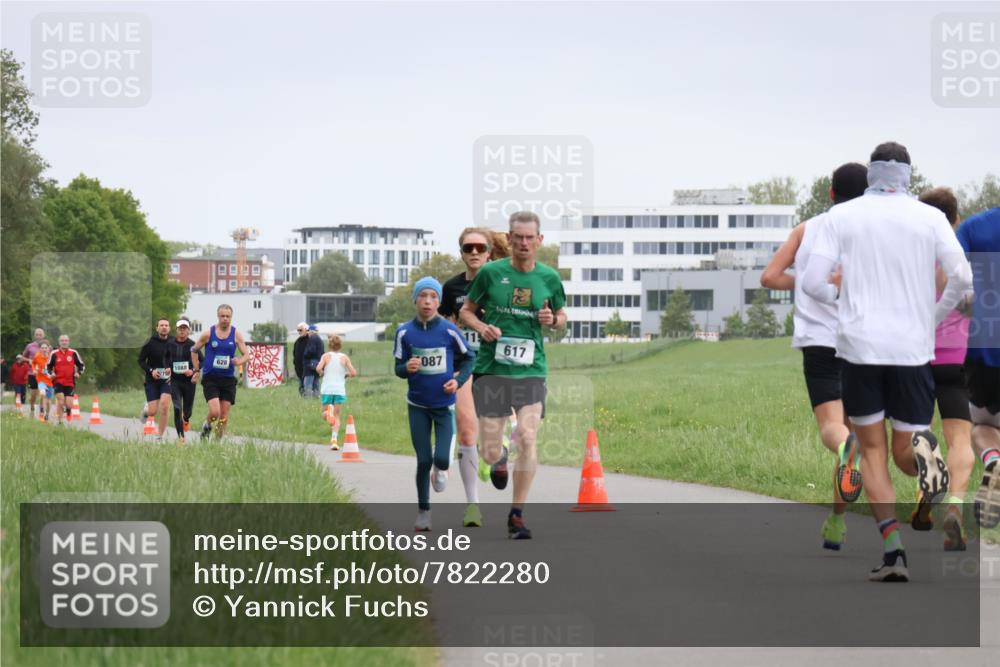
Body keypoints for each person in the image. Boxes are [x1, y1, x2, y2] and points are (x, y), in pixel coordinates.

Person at [802, 141, 973, 581]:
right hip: (913, 349)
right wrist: (933, 315)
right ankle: (925, 461)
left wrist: (842, 301)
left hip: (860, 349)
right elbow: (962, 278)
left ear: (872, 172)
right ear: (908, 176)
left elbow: (813, 281)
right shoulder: (931, 217)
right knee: (906, 444)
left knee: (872, 453)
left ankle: (893, 548)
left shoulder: (842, 216)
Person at [760, 162, 868, 550]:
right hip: (863, 340)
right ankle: (837, 524)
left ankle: (845, 458)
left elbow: (769, 277)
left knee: (833, 430)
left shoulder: (808, 228)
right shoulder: (872, 229)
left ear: (830, 193)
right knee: (854, 433)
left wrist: (807, 285)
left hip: (819, 341)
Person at [460, 211, 568, 540]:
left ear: (539, 241)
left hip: (531, 370)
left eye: (529, 237)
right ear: (509, 239)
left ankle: (517, 515)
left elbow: (562, 317)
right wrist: (482, 326)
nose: (523, 243)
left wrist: (552, 319)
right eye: (517, 237)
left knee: (528, 436)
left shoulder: (549, 278)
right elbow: (466, 311)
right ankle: (499, 457)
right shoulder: (491, 274)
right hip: (492, 370)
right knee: (491, 451)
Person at [916, 187, 975, 549]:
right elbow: (972, 307)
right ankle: (954, 506)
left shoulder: (912, 257)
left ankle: (930, 482)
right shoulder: (963, 257)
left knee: (919, 431)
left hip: (917, 357)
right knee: (961, 438)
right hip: (957, 357)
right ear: (955, 219)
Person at [395, 277, 476, 531]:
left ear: (439, 302)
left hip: (443, 405)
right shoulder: (404, 332)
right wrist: (406, 368)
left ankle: (440, 470)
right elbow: (397, 368)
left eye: (433, 296)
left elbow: (470, 358)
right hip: (417, 405)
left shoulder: (450, 330)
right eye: (423, 296)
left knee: (441, 459)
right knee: (422, 460)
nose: (427, 301)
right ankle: (424, 511)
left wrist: (458, 381)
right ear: (415, 300)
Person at [439, 227, 504, 527]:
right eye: (468, 248)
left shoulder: (503, 283)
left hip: (496, 365)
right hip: (464, 364)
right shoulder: (451, 288)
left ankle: (499, 453)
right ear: (462, 254)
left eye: (480, 248)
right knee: (466, 430)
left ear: (490, 252)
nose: (474, 252)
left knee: (491, 444)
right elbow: (442, 324)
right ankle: (473, 505)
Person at [955, 206, 1000, 530]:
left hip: (984, 339)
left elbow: (956, 282)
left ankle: (992, 459)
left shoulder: (974, 228)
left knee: (982, 422)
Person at [193, 304, 248, 440]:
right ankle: (207, 425)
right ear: (218, 316)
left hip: (228, 379)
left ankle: (217, 444)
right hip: (211, 378)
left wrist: (238, 361)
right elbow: (194, 350)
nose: (225, 319)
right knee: (215, 412)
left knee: (223, 417)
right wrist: (196, 369)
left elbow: (247, 355)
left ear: (231, 317)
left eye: (227, 316)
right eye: (222, 316)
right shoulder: (208, 333)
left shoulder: (236, 334)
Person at [316, 334, 357, 450]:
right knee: (337, 416)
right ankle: (334, 440)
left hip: (327, 389)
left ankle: (328, 414)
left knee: (324, 413)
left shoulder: (325, 356)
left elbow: (318, 368)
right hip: (339, 390)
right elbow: (353, 372)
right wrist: (347, 375)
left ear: (329, 345)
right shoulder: (344, 358)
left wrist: (322, 373)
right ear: (340, 345)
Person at [138, 318, 175, 440]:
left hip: (168, 380)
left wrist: (172, 369)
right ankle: (146, 410)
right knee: (153, 411)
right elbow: (141, 361)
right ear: (157, 328)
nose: (164, 327)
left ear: (169, 328)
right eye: (161, 325)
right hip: (152, 380)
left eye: (166, 325)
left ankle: (160, 436)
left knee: (165, 406)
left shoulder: (174, 342)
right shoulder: (149, 342)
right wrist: (151, 371)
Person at [170, 318, 201, 444]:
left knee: (187, 411)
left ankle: (186, 419)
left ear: (188, 330)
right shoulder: (170, 344)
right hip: (174, 381)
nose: (182, 330)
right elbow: (164, 359)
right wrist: (167, 368)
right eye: (180, 328)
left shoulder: (193, 345)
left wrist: (193, 370)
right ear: (176, 330)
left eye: (185, 328)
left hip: (189, 382)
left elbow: (202, 361)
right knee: (177, 408)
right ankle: (181, 438)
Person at [46, 335, 85, 426]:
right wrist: (50, 374)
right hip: (57, 381)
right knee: (60, 401)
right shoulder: (54, 353)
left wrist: (78, 373)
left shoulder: (73, 353)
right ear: (59, 342)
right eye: (62, 340)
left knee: (69, 404)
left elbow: (81, 365)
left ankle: (68, 410)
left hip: (70, 382)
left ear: (69, 342)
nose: (64, 342)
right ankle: (60, 422)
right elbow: (47, 366)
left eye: (66, 340)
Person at [23, 328, 45, 417]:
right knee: (33, 395)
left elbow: (52, 359)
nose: (39, 336)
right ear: (34, 336)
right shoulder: (30, 346)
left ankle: (41, 410)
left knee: (42, 393)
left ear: (44, 335)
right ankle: (32, 408)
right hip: (32, 374)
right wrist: (29, 360)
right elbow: (22, 357)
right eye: (37, 334)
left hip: (43, 374)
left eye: (40, 334)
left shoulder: (48, 347)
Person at [31, 341, 54, 422]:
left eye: (45, 348)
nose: (44, 349)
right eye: (42, 348)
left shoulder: (52, 357)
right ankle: (41, 411)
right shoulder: (37, 356)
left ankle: (47, 415)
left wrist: (53, 374)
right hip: (41, 380)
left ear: (48, 349)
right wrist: (34, 370)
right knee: (42, 393)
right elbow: (33, 363)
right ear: (40, 349)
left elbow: (56, 367)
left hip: (51, 381)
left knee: (48, 400)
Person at [302, 325, 324, 398]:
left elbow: (311, 350)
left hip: (310, 366)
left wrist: (305, 354)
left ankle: (308, 399)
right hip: (317, 364)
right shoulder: (319, 339)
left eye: (308, 331)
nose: (308, 333)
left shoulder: (313, 338)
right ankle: (316, 397)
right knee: (316, 383)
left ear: (311, 331)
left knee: (308, 383)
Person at [293, 322, 309, 396]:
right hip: (299, 369)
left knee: (308, 387)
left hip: (308, 369)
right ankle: (304, 399)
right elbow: (294, 354)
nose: (299, 332)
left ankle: (310, 400)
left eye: (301, 330)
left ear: (306, 329)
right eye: (298, 330)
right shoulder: (297, 341)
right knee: (301, 387)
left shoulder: (310, 340)